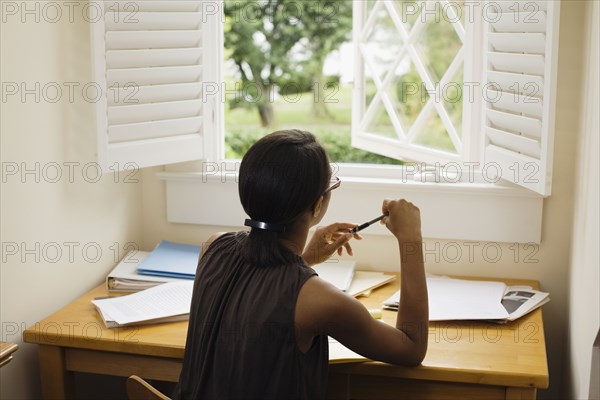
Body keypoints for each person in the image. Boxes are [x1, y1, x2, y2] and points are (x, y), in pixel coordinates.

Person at [173, 130, 428, 400]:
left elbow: (262, 301)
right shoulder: (319, 301)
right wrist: (411, 238)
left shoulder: (213, 247)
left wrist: (303, 259)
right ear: (318, 205)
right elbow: (410, 348)